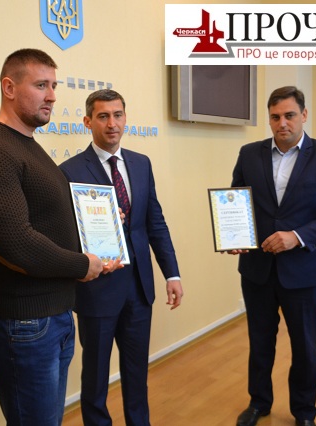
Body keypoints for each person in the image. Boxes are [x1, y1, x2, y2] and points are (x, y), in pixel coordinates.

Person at [0, 48, 117, 426]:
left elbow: (50, 222)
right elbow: (17, 244)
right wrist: (83, 264)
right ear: (9, 87)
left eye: (54, 86)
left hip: (51, 315)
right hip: (24, 323)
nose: (52, 96)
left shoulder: (27, 146)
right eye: (41, 85)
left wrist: (103, 226)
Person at [228, 86, 316, 426]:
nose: (282, 123)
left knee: (305, 347)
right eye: (275, 117)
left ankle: (304, 412)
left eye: (289, 115)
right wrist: (235, 235)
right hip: (257, 269)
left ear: (304, 115)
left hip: (304, 271)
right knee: (259, 342)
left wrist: (296, 237)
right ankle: (259, 403)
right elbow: (237, 200)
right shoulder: (249, 153)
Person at [60, 89, 183, 426]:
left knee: (136, 372)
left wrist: (172, 274)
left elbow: (155, 223)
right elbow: (65, 234)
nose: (112, 123)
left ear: (125, 118)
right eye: (103, 116)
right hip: (97, 290)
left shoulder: (141, 164)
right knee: (96, 377)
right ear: (88, 122)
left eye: (117, 115)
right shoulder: (69, 171)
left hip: (139, 289)